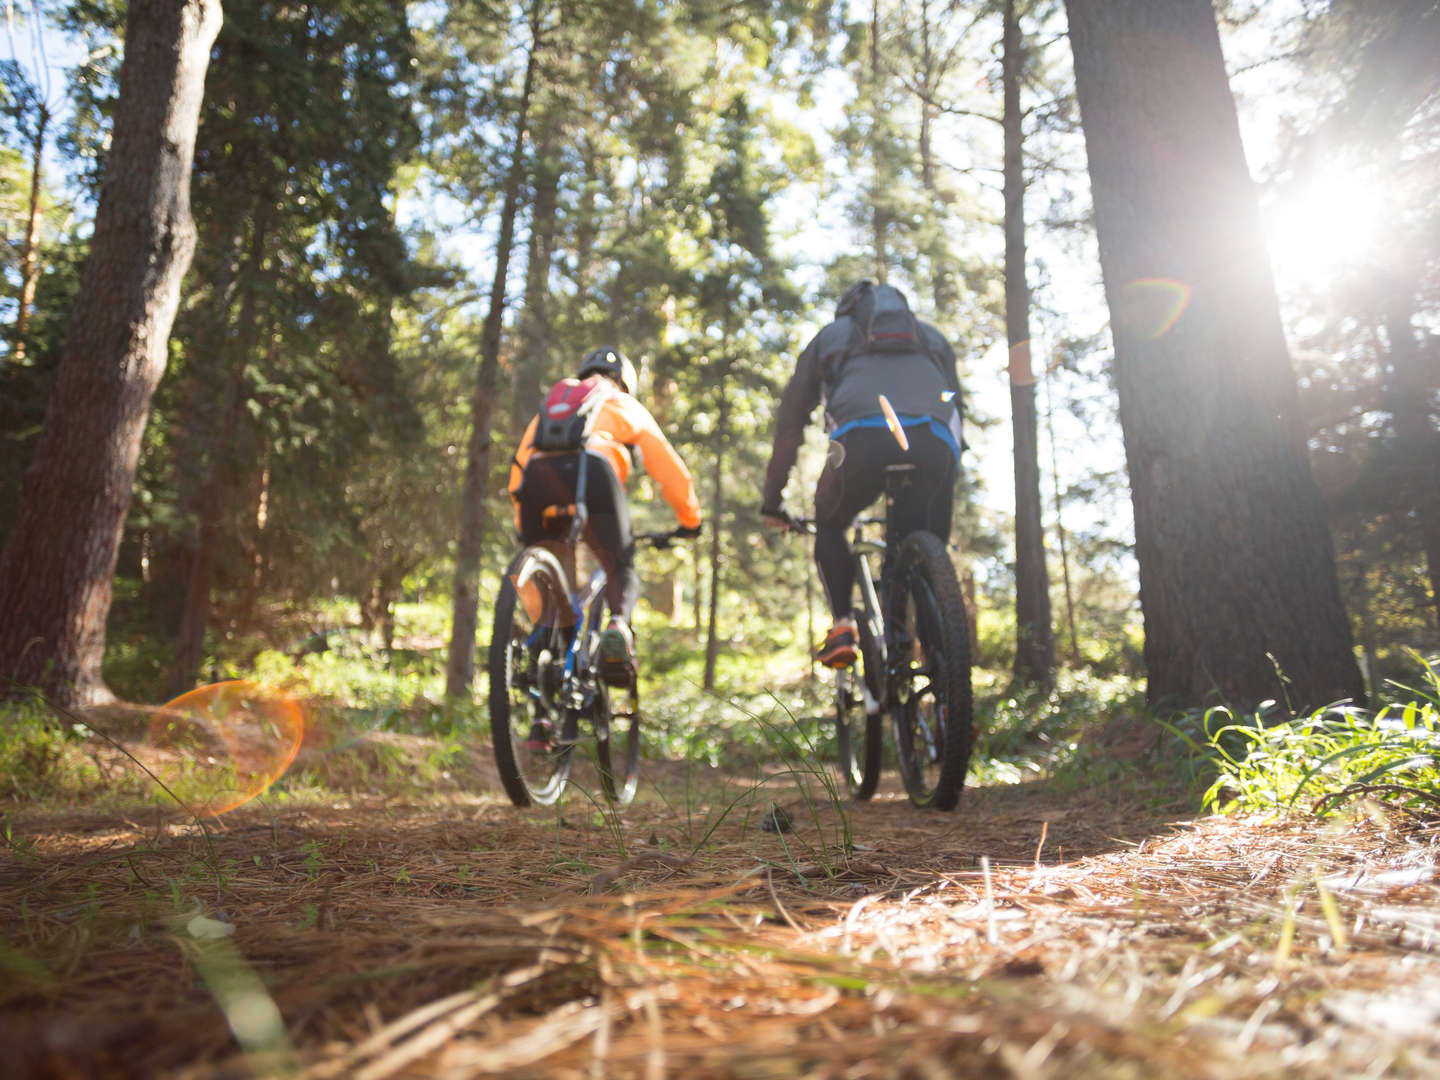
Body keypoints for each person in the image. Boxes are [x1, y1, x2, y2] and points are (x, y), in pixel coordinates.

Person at [761, 280, 964, 668]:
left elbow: (790, 421)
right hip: (934, 443)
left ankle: (842, 626)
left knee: (832, 522)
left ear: (847, 311)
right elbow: (954, 400)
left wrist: (773, 498)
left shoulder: (830, 338)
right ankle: (948, 676)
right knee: (924, 548)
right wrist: (950, 455)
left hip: (859, 443)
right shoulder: (931, 337)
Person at [509, 346, 702, 685]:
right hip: (595, 475)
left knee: (554, 589)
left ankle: (542, 715)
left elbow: (521, 462)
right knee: (621, 565)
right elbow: (666, 464)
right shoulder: (621, 400)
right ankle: (617, 626)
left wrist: (522, 522)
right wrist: (690, 520)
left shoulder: (557, 402)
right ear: (624, 381)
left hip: (539, 480)